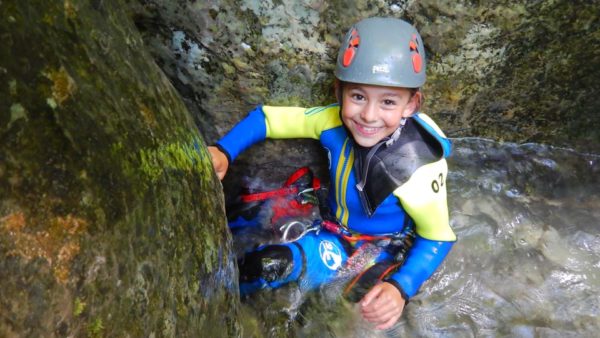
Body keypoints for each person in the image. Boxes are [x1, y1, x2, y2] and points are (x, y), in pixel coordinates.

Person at [208, 17, 456, 330]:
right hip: (329, 221)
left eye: (388, 102)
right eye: (358, 96)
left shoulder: (419, 167)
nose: (368, 115)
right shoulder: (330, 122)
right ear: (339, 91)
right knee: (245, 233)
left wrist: (401, 286)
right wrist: (224, 150)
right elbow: (268, 119)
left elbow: (437, 236)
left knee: (317, 309)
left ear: (411, 104)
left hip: (378, 245)